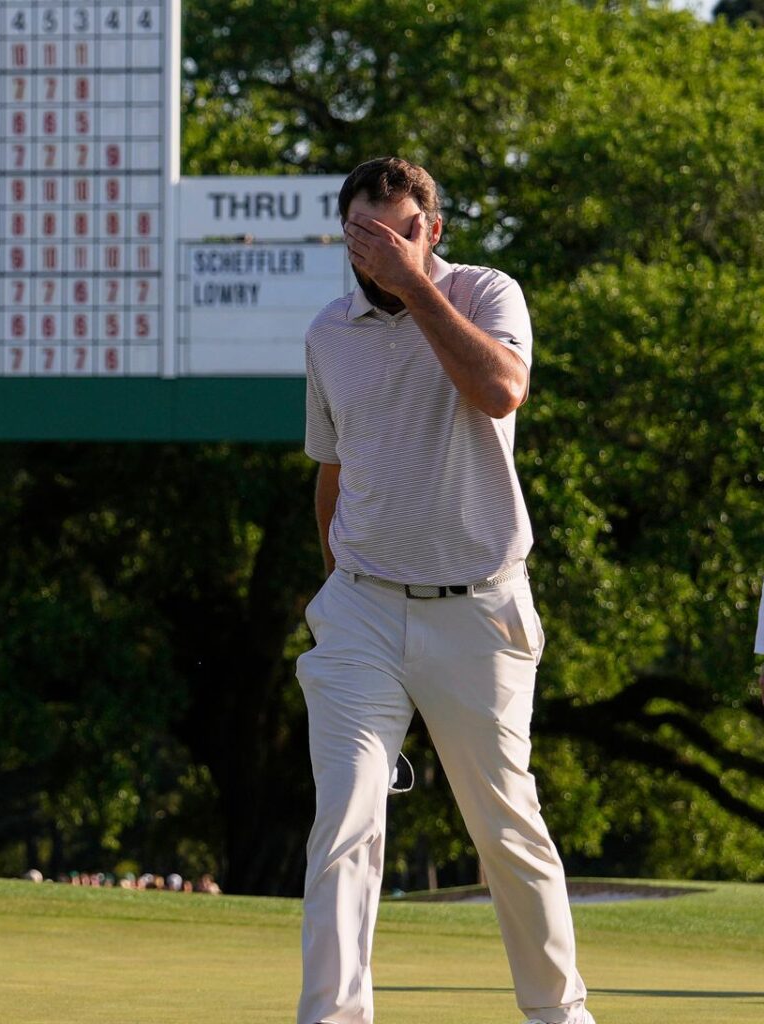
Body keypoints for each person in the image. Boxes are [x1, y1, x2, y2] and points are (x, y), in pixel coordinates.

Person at [297, 157, 590, 1024]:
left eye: (392, 232)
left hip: (479, 608)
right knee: (343, 824)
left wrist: (413, 285)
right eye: (359, 235)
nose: (372, 251)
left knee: (507, 832)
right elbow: (332, 471)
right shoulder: (327, 331)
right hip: (360, 611)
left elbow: (499, 390)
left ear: (432, 230)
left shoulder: (486, 292)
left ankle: (558, 1014)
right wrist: (337, 589)